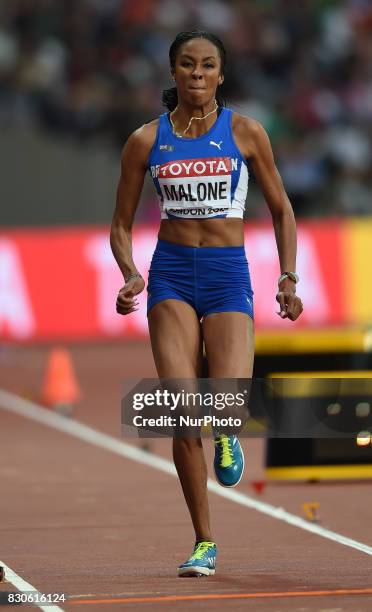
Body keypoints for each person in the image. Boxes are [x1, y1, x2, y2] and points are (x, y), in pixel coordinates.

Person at [110, 30, 303, 578]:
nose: (197, 74)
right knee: (181, 409)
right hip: (170, 276)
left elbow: (282, 210)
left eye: (208, 65)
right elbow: (121, 224)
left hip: (226, 277)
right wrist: (129, 275)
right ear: (173, 73)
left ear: (221, 74)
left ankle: (228, 431)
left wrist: (288, 277)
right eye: (187, 65)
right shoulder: (145, 142)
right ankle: (204, 541)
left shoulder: (245, 132)